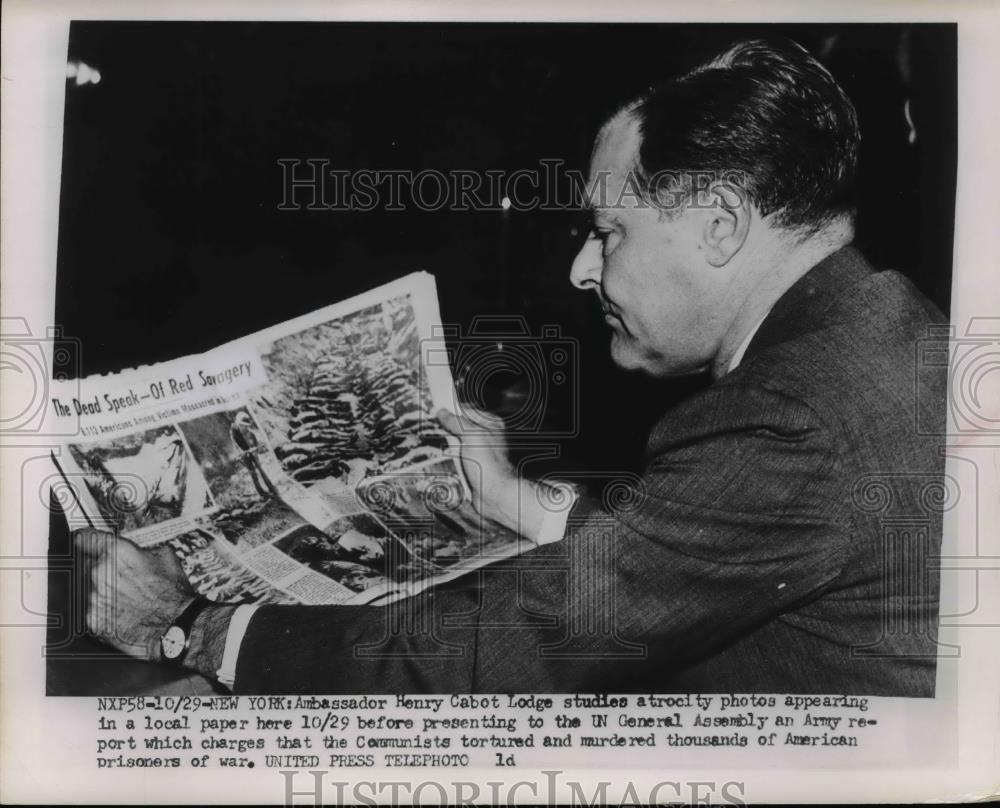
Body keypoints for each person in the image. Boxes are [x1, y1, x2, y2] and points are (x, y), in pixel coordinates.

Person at [75, 38, 947, 695]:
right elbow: (704, 550)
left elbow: (501, 656)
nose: (581, 268)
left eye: (608, 233)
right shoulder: (882, 330)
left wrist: (191, 626)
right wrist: (519, 501)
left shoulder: (790, 411)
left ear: (719, 226)